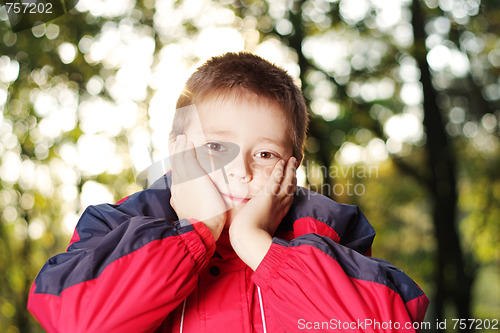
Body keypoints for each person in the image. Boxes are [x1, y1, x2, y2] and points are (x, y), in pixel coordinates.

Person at [28, 52, 429, 332]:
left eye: (266, 153)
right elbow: (78, 320)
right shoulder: (118, 225)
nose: (241, 171)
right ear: (179, 151)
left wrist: (254, 243)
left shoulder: (330, 228)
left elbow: (386, 324)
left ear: (292, 168)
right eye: (218, 147)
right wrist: (199, 229)